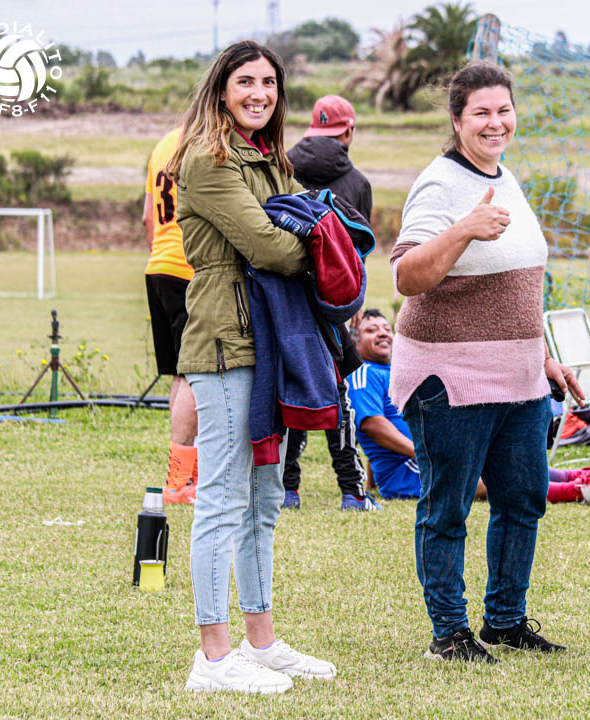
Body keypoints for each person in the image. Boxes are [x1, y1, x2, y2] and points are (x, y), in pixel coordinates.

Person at [390, 63, 585, 663]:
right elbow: (406, 276)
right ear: (457, 120)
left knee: (523, 499)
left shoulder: (507, 177)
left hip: (520, 377)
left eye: (504, 110)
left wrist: (542, 357)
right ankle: (449, 634)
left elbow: (516, 285)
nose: (495, 123)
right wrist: (465, 229)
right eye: (481, 112)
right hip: (451, 379)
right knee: (448, 507)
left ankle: (504, 621)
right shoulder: (440, 184)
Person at [167, 40, 335, 694]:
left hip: (274, 342)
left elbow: (313, 223)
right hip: (224, 342)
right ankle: (211, 660)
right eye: (245, 82)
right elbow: (270, 245)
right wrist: (319, 246)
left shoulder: (271, 159)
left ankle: (259, 643)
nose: (259, 93)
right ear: (221, 90)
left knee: (264, 497)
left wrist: (317, 235)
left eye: (268, 82)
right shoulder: (208, 160)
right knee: (223, 498)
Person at [347, 309, 590, 504]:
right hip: (411, 467)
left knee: (499, 460)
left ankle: (578, 476)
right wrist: (420, 453)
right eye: (371, 330)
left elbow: (387, 425)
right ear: (355, 343)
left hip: (423, 457)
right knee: (482, 479)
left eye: (386, 328)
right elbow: (373, 425)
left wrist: (372, 482)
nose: (382, 333)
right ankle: (578, 491)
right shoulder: (363, 374)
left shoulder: (392, 370)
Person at [280, 94, 375, 512]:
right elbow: (359, 250)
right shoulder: (358, 183)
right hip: (332, 303)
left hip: (285, 299)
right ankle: (352, 492)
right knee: (338, 391)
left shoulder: (281, 167)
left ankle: (288, 489)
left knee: (292, 382)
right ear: (348, 131)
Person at [142, 126, 197, 505]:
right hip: (189, 269)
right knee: (196, 372)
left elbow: (148, 218)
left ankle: (182, 476)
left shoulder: (163, 144)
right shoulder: (205, 140)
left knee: (180, 373)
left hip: (158, 265)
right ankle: (180, 481)